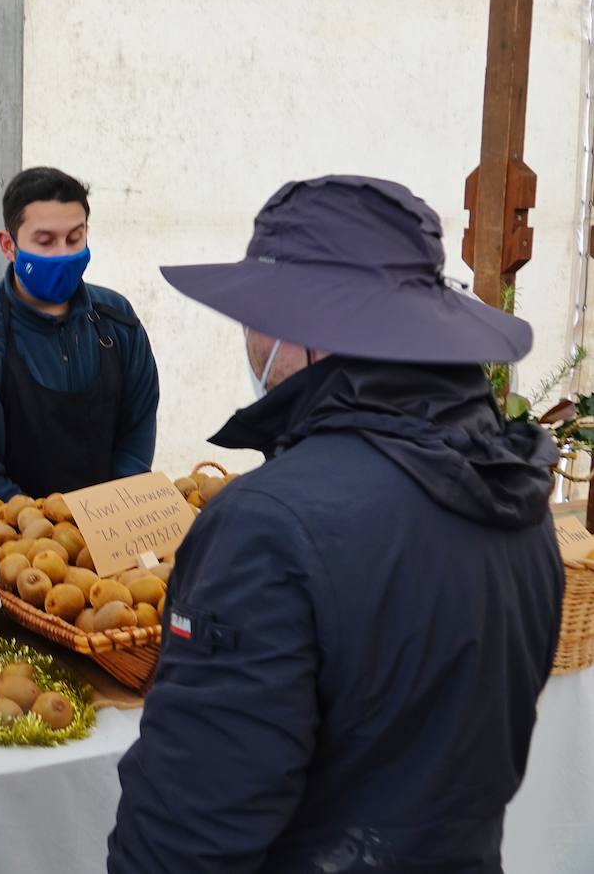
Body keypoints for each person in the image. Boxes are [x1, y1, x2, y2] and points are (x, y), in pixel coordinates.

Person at [108, 175, 563, 873]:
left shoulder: (266, 525)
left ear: (307, 329)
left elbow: (189, 830)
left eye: (257, 312)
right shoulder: (517, 496)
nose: (248, 337)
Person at [0, 166, 159, 506]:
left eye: (74, 237)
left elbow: (136, 435)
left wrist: (109, 515)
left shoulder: (118, 321)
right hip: (8, 540)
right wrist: (48, 530)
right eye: (45, 241)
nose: (63, 253)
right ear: (8, 246)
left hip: (107, 534)